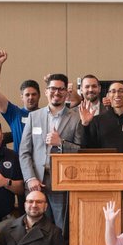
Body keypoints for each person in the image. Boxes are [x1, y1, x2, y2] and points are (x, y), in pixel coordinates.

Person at [19, 73, 83, 231]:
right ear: (46, 92)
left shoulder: (76, 118)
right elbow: (24, 152)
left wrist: (60, 143)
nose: (57, 92)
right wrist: (30, 178)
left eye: (61, 89)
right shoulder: (34, 117)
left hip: (61, 180)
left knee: (60, 226)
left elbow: (81, 151)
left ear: (66, 93)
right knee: (35, 225)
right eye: (53, 88)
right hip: (36, 181)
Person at [0, 50, 41, 151]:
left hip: (42, 164)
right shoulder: (15, 113)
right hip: (19, 163)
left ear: (39, 96)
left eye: (34, 94)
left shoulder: (46, 114)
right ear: (21, 97)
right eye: (27, 95)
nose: (30, 97)